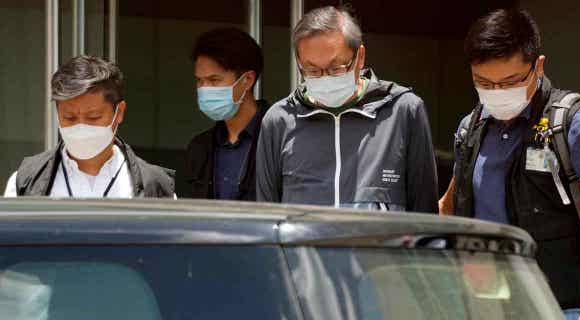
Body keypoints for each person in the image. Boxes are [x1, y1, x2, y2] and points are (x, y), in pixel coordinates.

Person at [438, 9, 580, 320]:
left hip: (567, 308)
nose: (497, 93)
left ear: (538, 67)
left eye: (511, 82)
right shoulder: (470, 129)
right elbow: (450, 208)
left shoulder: (573, 122)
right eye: (484, 83)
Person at [256, 6, 438, 212]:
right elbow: (268, 214)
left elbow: (425, 213)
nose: (325, 78)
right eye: (312, 70)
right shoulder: (279, 120)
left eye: (336, 68)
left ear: (360, 57)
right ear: (298, 63)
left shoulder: (403, 111)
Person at [3, 55, 175, 198]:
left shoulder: (156, 186)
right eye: (69, 118)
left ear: (119, 112)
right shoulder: (25, 181)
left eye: (93, 117)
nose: (80, 127)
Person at [181, 28, 266, 200]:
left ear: (247, 80)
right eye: (199, 80)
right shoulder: (200, 147)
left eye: (214, 80)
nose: (205, 89)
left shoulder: (279, 138)